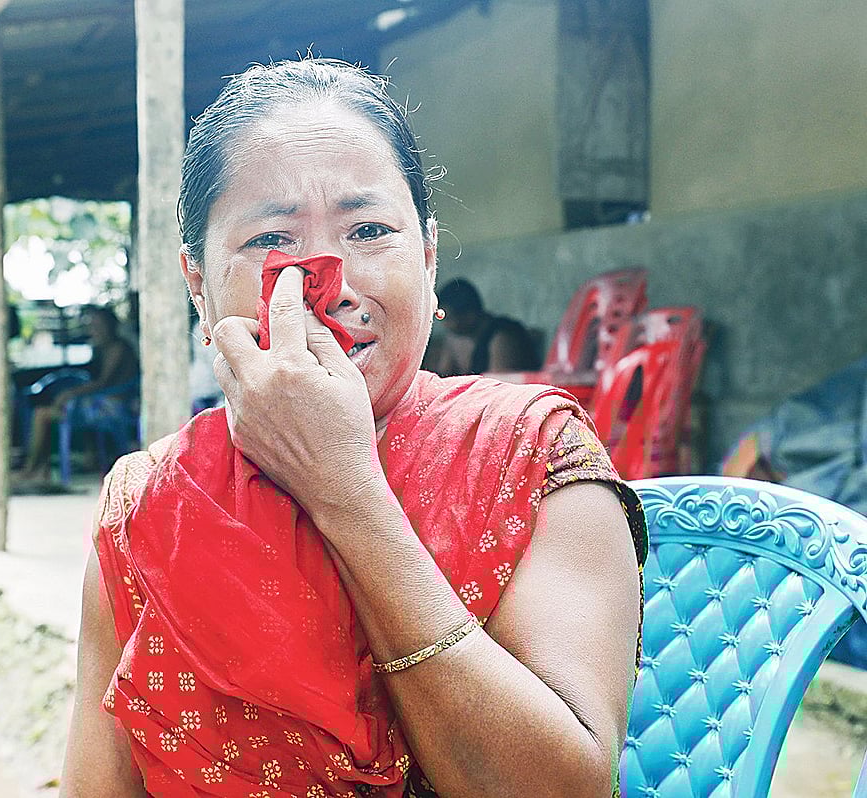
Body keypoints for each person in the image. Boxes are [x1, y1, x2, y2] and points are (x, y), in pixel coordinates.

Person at [59, 59, 645, 797]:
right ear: (199, 286)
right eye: (271, 238)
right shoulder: (148, 510)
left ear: (427, 259)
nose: (327, 287)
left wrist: (343, 490)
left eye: (369, 230)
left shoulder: (535, 457)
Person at [16, 305, 139, 485]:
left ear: (109, 326)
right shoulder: (103, 349)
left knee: (42, 415)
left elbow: (103, 383)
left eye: (97, 325)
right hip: (100, 403)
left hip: (110, 408)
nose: (93, 330)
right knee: (49, 412)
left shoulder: (118, 348)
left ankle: (31, 469)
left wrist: (70, 394)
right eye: (91, 326)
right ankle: (42, 470)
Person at [422, 277, 539, 376]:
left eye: (449, 318)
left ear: (469, 314)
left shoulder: (503, 337)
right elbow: (445, 375)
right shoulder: (456, 336)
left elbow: (499, 384)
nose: (446, 325)